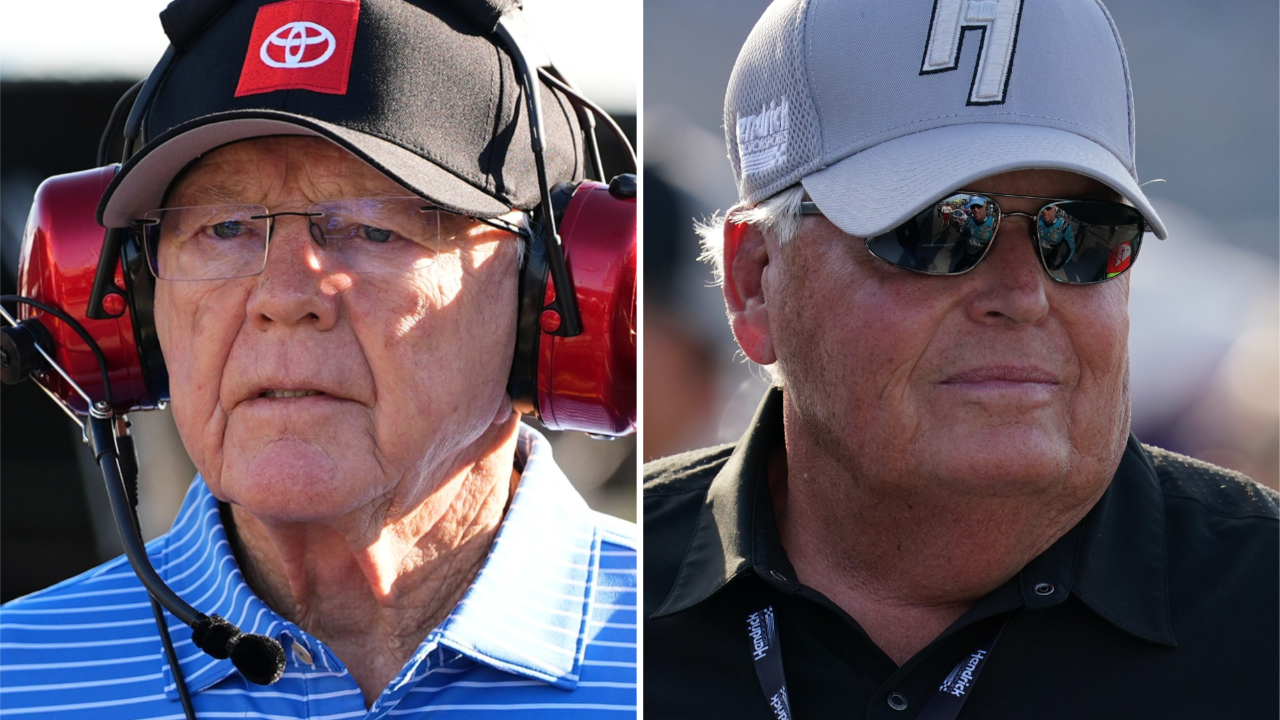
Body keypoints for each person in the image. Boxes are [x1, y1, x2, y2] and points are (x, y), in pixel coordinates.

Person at [0, 0, 636, 717]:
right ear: (131, 305)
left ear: (544, 298)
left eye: (372, 228)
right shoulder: (14, 679)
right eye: (225, 227)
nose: (284, 294)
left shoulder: (688, 655)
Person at [644, 0, 1277, 718]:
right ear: (755, 283)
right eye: (937, 229)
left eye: (1086, 232)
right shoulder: (607, 599)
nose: (1023, 294)